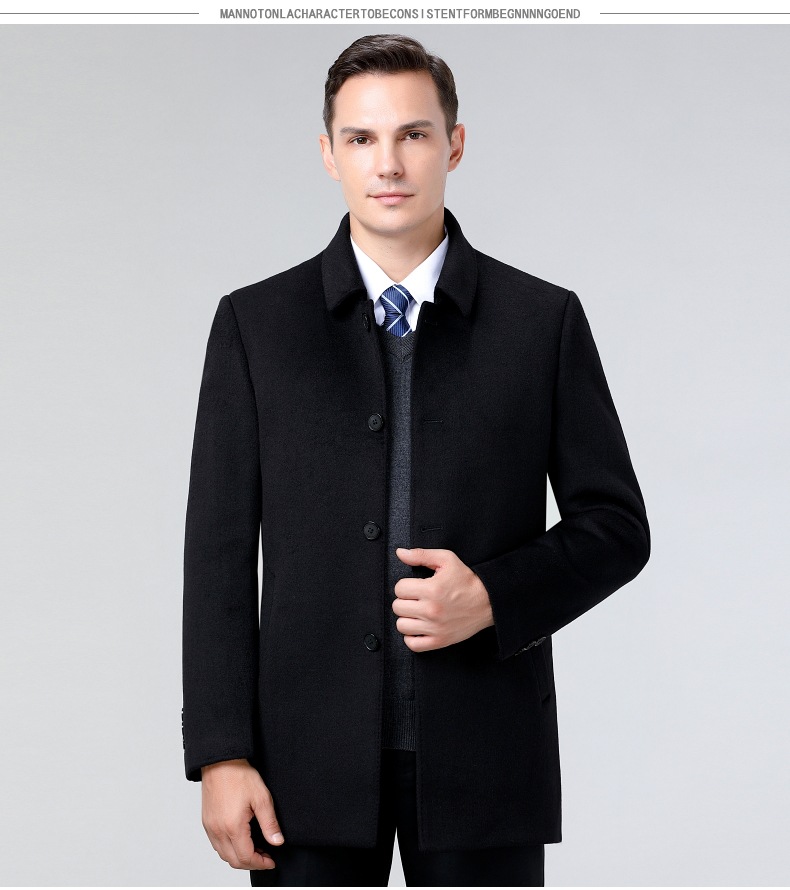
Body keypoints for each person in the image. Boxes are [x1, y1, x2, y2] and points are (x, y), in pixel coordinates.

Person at [181, 33, 650, 888]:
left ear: (454, 145)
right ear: (329, 153)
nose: (388, 163)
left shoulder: (540, 322)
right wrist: (221, 753)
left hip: (486, 756)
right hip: (301, 764)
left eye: (414, 134)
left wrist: (493, 597)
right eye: (361, 138)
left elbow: (617, 527)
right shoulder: (257, 327)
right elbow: (216, 556)